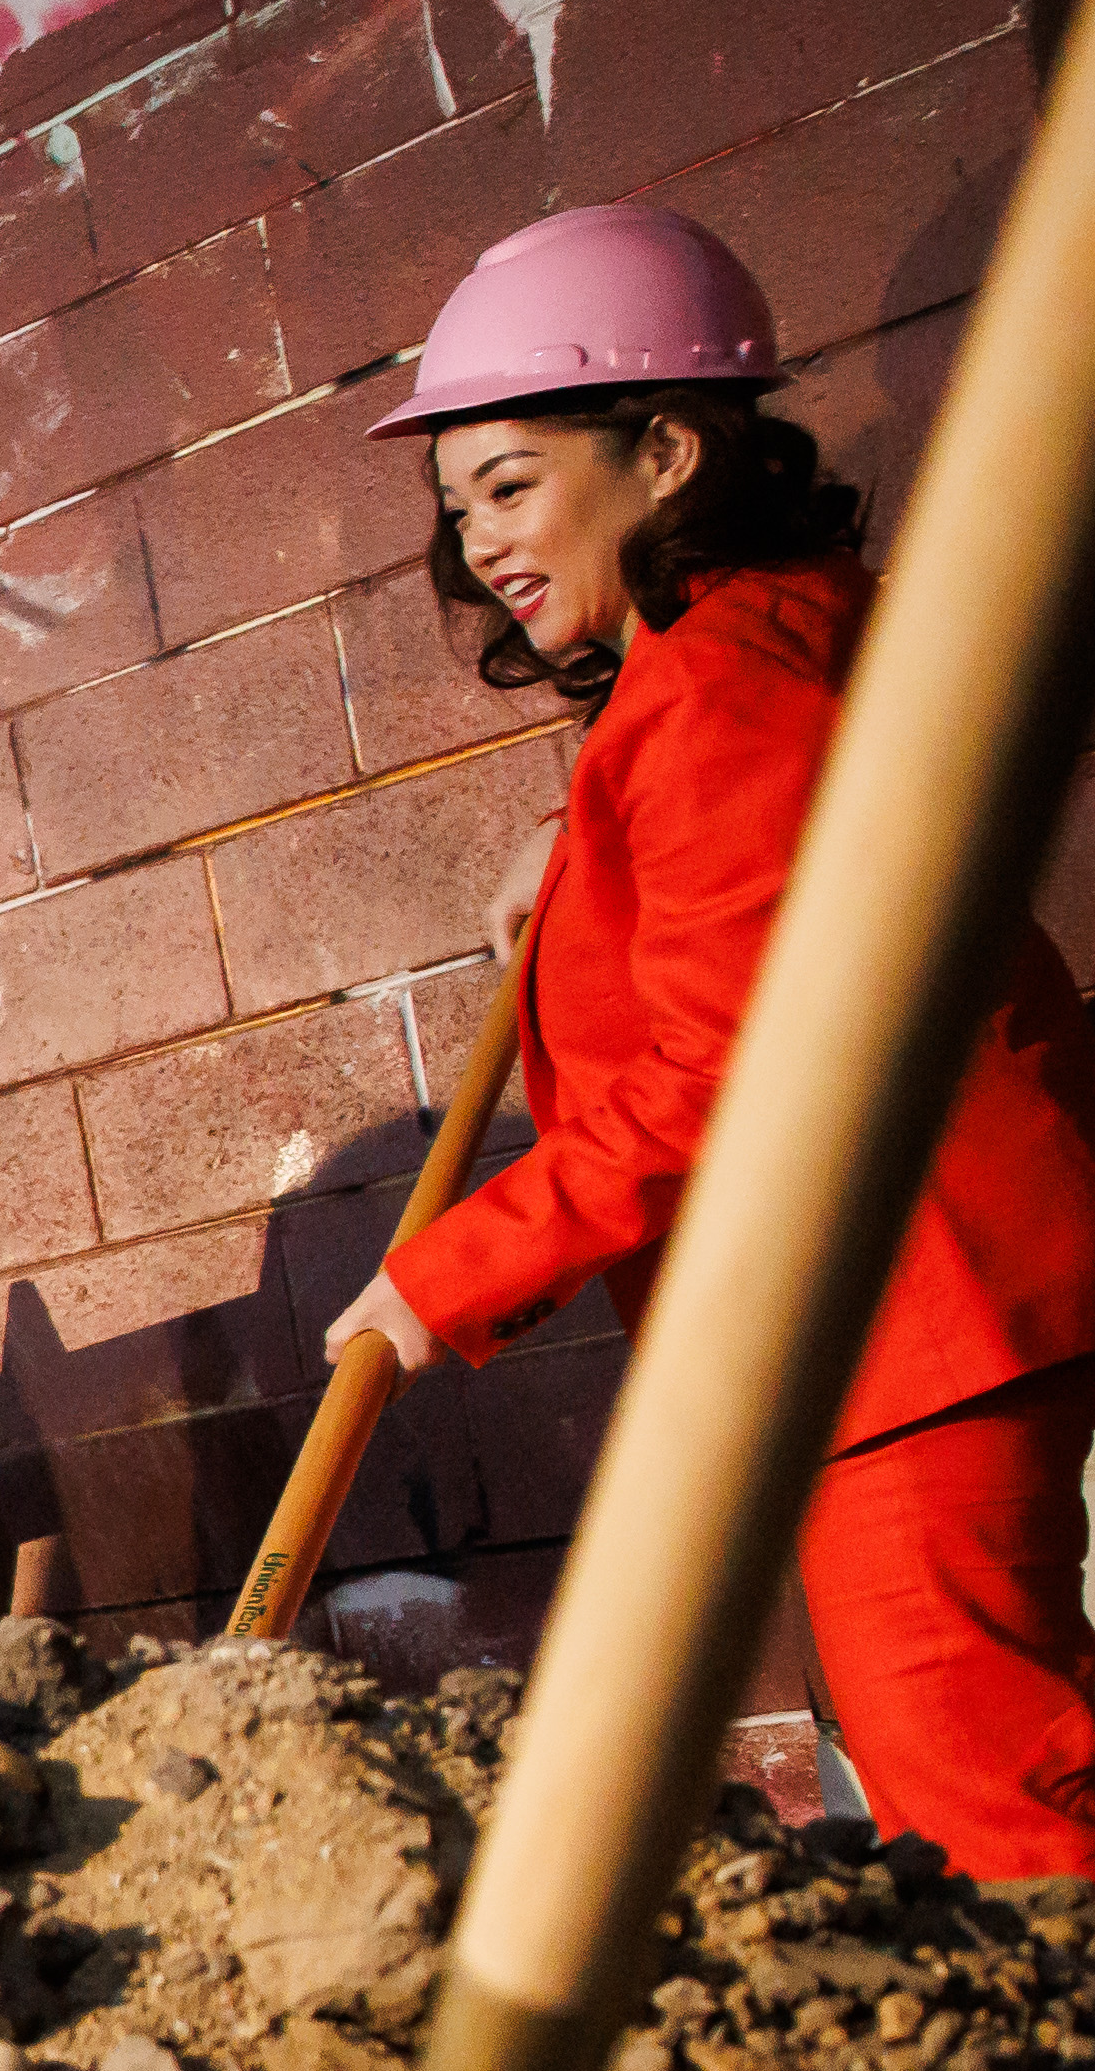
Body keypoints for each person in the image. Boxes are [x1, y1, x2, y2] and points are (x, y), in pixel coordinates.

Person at [325, 204, 1095, 1881]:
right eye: (459, 508)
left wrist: (446, 1273)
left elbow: (738, 1075)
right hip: (928, 1305)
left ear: (666, 450)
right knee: (1001, 1757)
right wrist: (584, 835)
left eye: (514, 485)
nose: (483, 544)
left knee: (994, 1807)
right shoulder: (755, 648)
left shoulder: (724, 692)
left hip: (909, 1322)